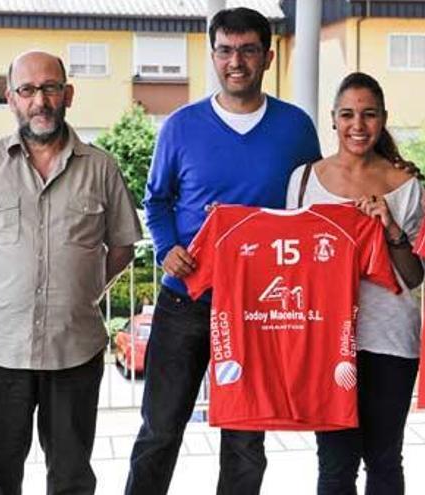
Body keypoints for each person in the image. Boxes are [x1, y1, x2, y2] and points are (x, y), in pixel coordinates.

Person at [126, 7, 321, 495]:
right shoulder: (180, 126)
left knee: (246, 438)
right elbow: (157, 200)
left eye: (248, 50)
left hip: (259, 304)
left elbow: (312, 202)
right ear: (213, 55)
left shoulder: (296, 127)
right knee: (160, 429)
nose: (237, 61)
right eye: (226, 50)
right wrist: (168, 247)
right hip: (186, 297)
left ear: (268, 57)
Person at [0, 51, 142, 494]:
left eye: (50, 88)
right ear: (11, 98)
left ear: (68, 94)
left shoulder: (101, 168)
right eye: (28, 90)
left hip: (74, 348)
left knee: (71, 478)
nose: (40, 100)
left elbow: (122, 247)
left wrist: (81, 291)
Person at [286, 72, 425, 495]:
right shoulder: (303, 181)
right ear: (333, 120)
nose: (357, 125)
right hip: (327, 343)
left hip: (390, 341)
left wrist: (390, 229)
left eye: (368, 114)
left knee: (384, 460)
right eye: (347, 114)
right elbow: (290, 259)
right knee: (334, 464)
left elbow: (415, 275)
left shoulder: (406, 185)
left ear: (383, 119)